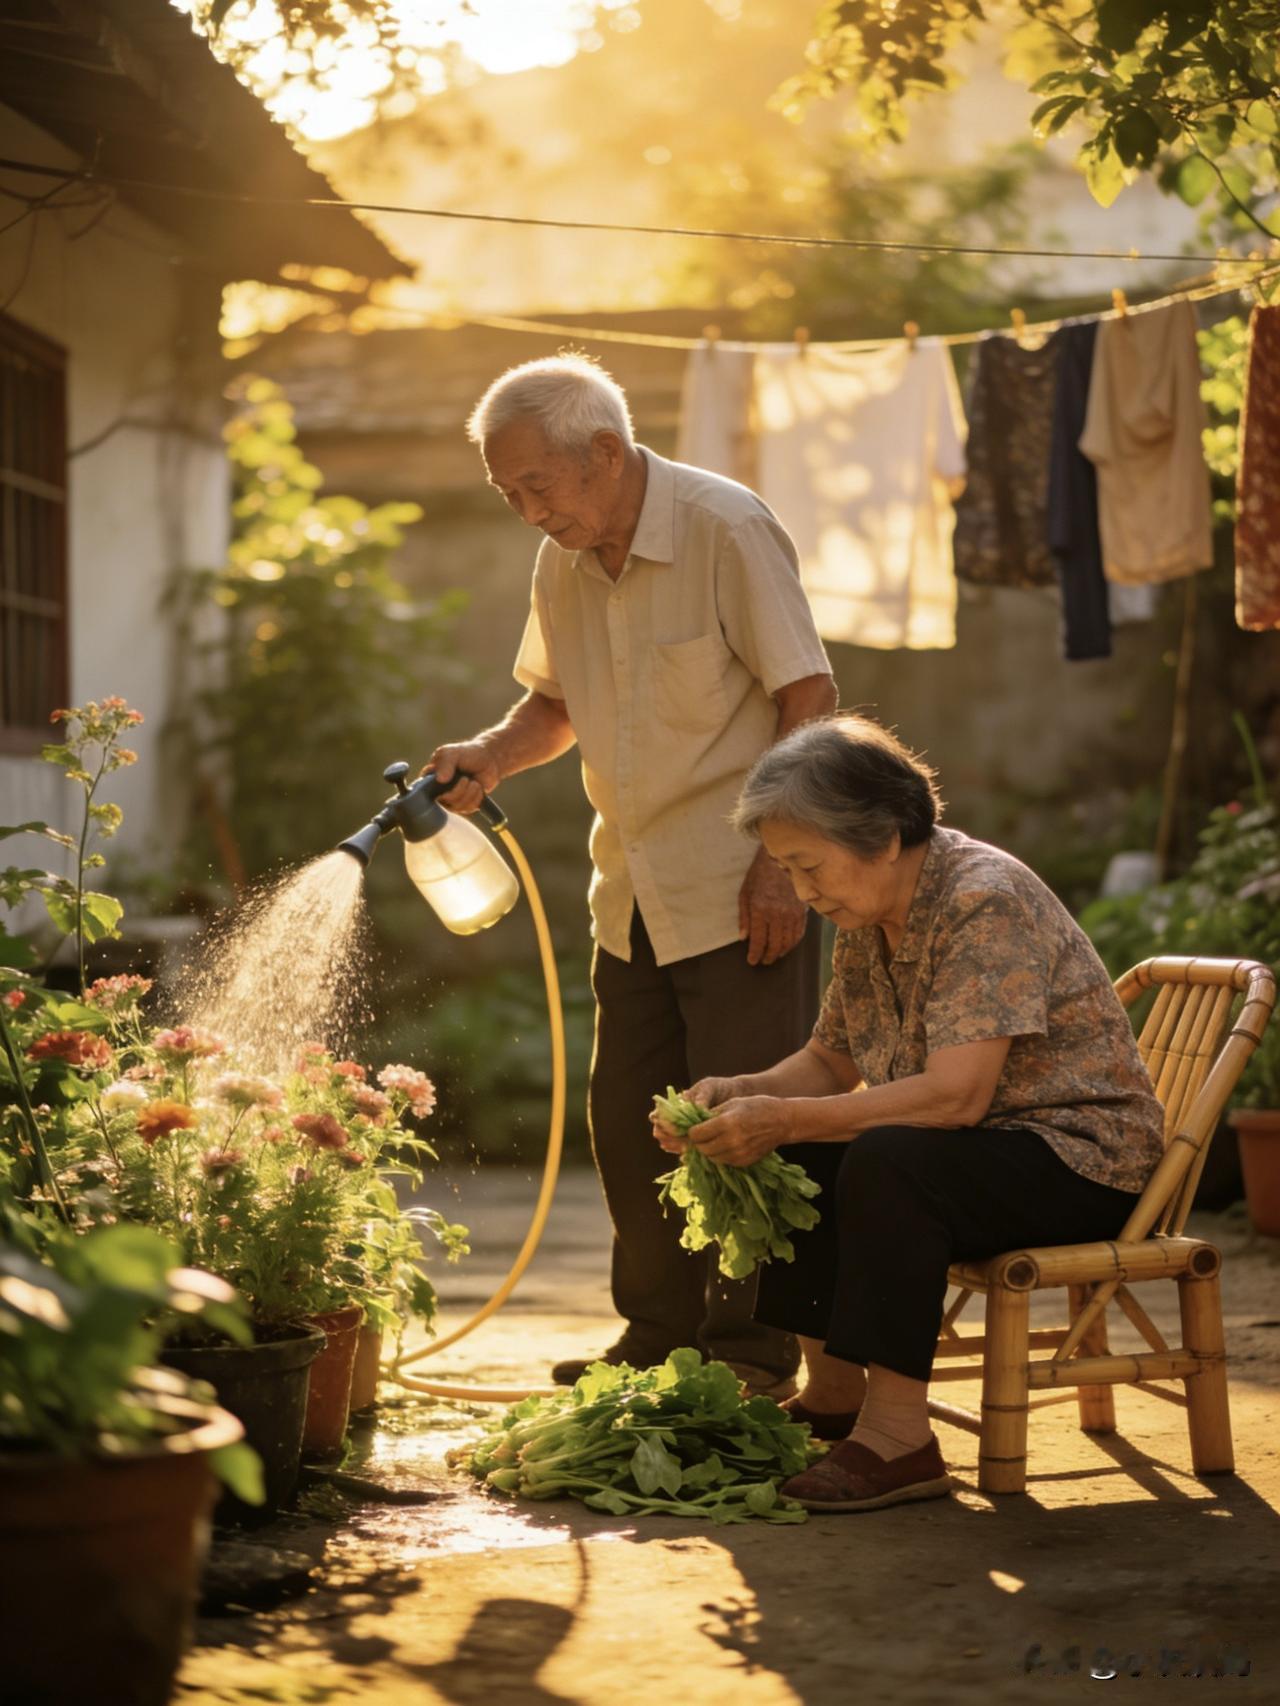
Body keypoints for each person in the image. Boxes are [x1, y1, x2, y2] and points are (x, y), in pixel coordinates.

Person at [429, 353, 837, 1395]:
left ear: (603, 453)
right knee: (628, 1121)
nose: (525, 510)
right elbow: (552, 707)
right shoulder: (561, 558)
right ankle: (655, 1335)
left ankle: (751, 1348)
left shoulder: (723, 527)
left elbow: (808, 700)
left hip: (743, 885)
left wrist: (781, 865)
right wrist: (487, 753)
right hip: (633, 892)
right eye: (507, 493)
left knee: (742, 1123)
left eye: (536, 486)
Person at [653, 714, 1165, 1511]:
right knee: (805, 1152)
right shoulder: (870, 911)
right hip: (982, 1154)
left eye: (808, 867)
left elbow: (958, 1096)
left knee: (886, 1158)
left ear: (885, 838)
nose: (801, 890)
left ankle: (900, 1439)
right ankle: (834, 1395)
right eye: (789, 870)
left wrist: (783, 1117)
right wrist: (740, 1092)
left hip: (1079, 1160)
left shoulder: (980, 900)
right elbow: (829, 1062)